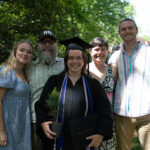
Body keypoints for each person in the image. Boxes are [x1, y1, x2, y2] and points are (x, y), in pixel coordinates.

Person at [35, 37, 113, 150]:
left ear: (84, 60)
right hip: (56, 138)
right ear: (66, 60)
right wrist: (42, 122)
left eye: (79, 58)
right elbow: (41, 105)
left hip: (83, 139)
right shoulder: (54, 81)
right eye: (71, 58)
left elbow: (105, 110)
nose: (75, 61)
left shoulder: (93, 84)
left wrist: (101, 133)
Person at [108, 18, 150, 150]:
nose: (127, 31)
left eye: (130, 28)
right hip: (122, 113)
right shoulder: (114, 56)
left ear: (136, 30)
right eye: (123, 29)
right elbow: (112, 82)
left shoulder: (148, 52)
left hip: (147, 113)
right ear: (119, 33)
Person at [26, 30, 64, 150]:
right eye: (43, 41)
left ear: (56, 45)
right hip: (35, 120)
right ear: (38, 45)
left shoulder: (65, 64)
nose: (47, 45)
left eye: (51, 41)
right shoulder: (28, 67)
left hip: (61, 119)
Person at [0, 40, 33, 150]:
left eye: (29, 52)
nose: (25, 54)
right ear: (15, 51)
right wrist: (1, 131)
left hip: (22, 125)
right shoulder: (7, 71)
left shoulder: (24, 72)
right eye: (22, 50)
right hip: (8, 125)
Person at [89, 37, 115, 150]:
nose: (100, 52)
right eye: (96, 49)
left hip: (108, 119)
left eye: (103, 49)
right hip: (89, 117)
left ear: (107, 51)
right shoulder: (84, 70)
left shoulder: (113, 70)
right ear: (90, 51)